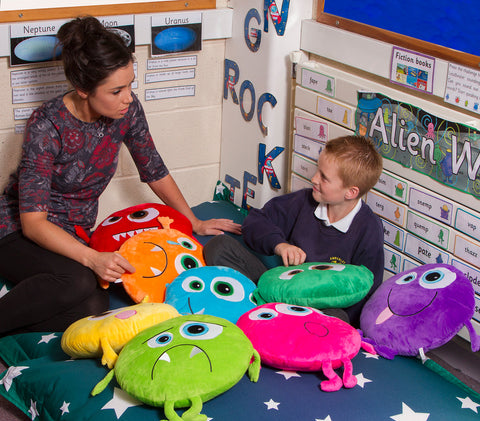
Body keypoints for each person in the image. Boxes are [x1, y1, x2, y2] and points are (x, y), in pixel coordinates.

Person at [0, 16, 241, 335]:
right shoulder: (45, 126)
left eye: (130, 85)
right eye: (116, 90)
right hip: (16, 231)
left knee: (94, 307)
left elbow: (153, 168)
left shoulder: (126, 110)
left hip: (72, 231)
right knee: (79, 279)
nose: (128, 97)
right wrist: (91, 258)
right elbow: (33, 223)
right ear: (84, 89)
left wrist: (192, 221)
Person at [204, 135, 384, 326]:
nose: (314, 178)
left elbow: (367, 289)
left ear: (351, 192)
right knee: (219, 246)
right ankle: (264, 312)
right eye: (317, 170)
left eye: (324, 177)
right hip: (278, 290)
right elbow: (255, 222)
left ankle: (279, 323)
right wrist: (279, 245)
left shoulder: (369, 228)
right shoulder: (303, 201)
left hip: (317, 311)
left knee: (337, 318)